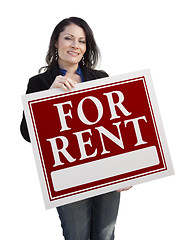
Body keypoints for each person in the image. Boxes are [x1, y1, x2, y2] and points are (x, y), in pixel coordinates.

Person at [20, 17, 131, 240]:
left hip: (105, 173)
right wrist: (48, 97)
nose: (75, 45)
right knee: (76, 236)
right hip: (68, 177)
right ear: (56, 43)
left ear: (86, 47)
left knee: (105, 236)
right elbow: (27, 134)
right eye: (68, 38)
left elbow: (116, 129)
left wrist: (126, 170)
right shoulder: (39, 83)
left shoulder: (100, 78)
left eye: (81, 41)